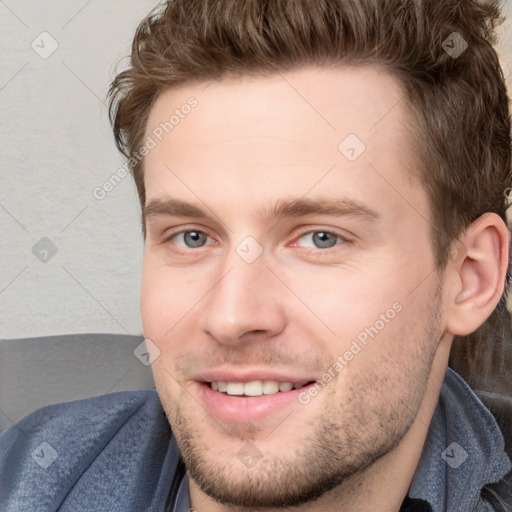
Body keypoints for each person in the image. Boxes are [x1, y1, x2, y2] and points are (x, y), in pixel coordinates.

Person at [1, 0, 512, 510]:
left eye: (320, 238)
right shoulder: (25, 476)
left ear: (469, 277)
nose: (231, 317)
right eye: (192, 237)